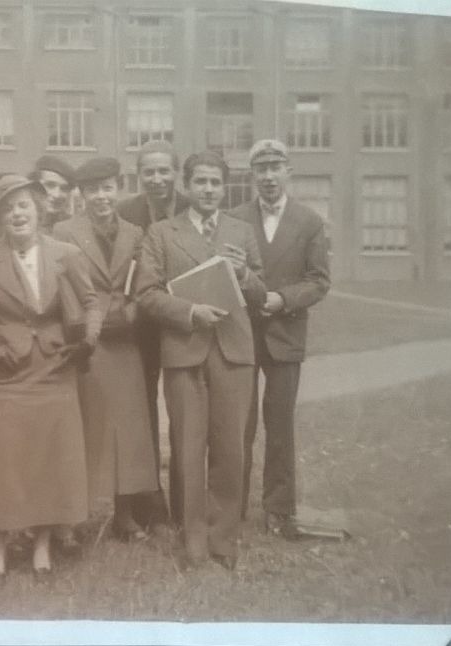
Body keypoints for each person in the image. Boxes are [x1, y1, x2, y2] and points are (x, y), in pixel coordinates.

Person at [0, 176, 101, 577]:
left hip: (56, 368)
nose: (17, 214)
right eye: (8, 209)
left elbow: (92, 303)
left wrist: (87, 341)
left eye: (23, 206)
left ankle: (42, 544)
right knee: (6, 459)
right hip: (8, 369)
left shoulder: (66, 254)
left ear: (39, 209)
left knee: (50, 457)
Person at [136, 151, 267, 570]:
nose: (208, 189)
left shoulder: (242, 232)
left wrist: (246, 276)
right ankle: (193, 539)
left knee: (231, 447)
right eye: (201, 182)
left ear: (223, 187)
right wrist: (190, 313)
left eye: (215, 182)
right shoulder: (160, 233)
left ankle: (222, 537)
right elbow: (146, 294)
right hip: (185, 350)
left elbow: (261, 295)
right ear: (187, 186)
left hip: (234, 350)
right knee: (189, 447)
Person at [51, 157, 162, 541]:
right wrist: (88, 325)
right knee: (86, 427)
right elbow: (62, 286)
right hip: (88, 344)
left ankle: (125, 514)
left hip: (126, 344)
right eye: (93, 189)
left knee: (128, 431)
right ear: (82, 194)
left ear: (118, 189)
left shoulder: (134, 233)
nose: (102, 196)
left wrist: (130, 316)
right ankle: (73, 516)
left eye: (108, 188)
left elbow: (143, 281)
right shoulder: (65, 231)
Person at [227, 140, 332, 539]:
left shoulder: (309, 222)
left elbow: (319, 281)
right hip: (240, 334)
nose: (269, 176)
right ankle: (231, 503)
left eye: (276, 167)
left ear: (290, 171)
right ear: (251, 175)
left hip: (286, 334)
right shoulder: (233, 218)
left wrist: (282, 299)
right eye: (261, 168)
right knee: (239, 422)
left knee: (280, 424)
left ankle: (278, 508)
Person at [116, 141, 192, 529]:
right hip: (138, 329)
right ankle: (147, 500)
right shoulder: (124, 212)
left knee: (185, 412)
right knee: (139, 412)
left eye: (165, 171)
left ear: (176, 174)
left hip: (183, 325)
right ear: (139, 175)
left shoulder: (193, 205)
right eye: (150, 172)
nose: (157, 179)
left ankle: (185, 501)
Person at [31, 154, 76, 234]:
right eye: (50, 185)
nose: (57, 195)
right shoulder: (19, 225)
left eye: (64, 188)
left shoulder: (72, 229)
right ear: (33, 185)